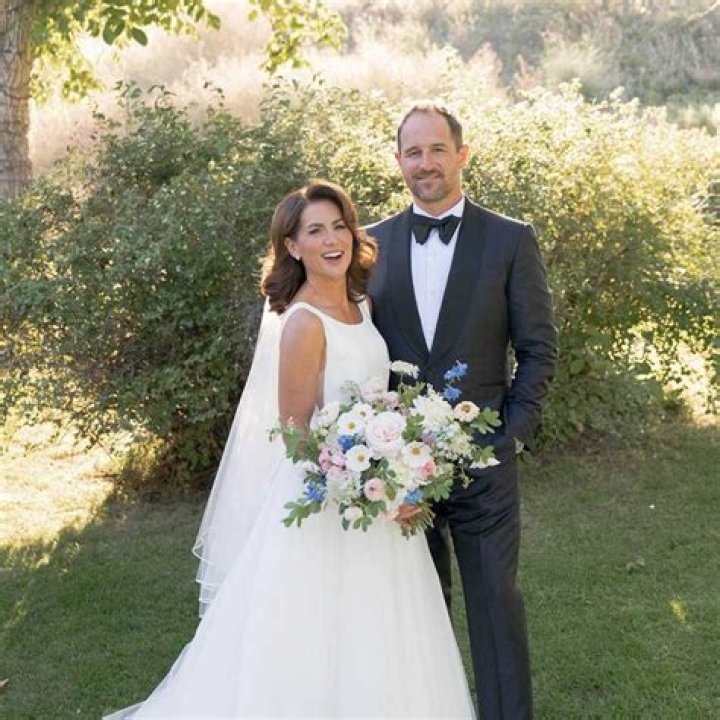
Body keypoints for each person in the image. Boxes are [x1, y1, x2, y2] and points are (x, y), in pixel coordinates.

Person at [104, 180, 475, 719]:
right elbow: (296, 431)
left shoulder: (361, 305)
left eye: (339, 226)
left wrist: (396, 468)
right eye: (315, 231)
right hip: (329, 502)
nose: (332, 240)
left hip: (378, 496)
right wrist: (363, 484)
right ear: (293, 246)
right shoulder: (303, 323)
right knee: (315, 638)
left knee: (382, 630)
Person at [366, 101, 558, 720]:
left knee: (496, 607)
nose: (425, 163)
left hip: (485, 465)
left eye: (437, 149)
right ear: (398, 161)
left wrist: (513, 435)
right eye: (413, 152)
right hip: (398, 470)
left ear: (462, 155)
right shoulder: (369, 244)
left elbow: (538, 347)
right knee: (415, 614)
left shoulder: (510, 239)